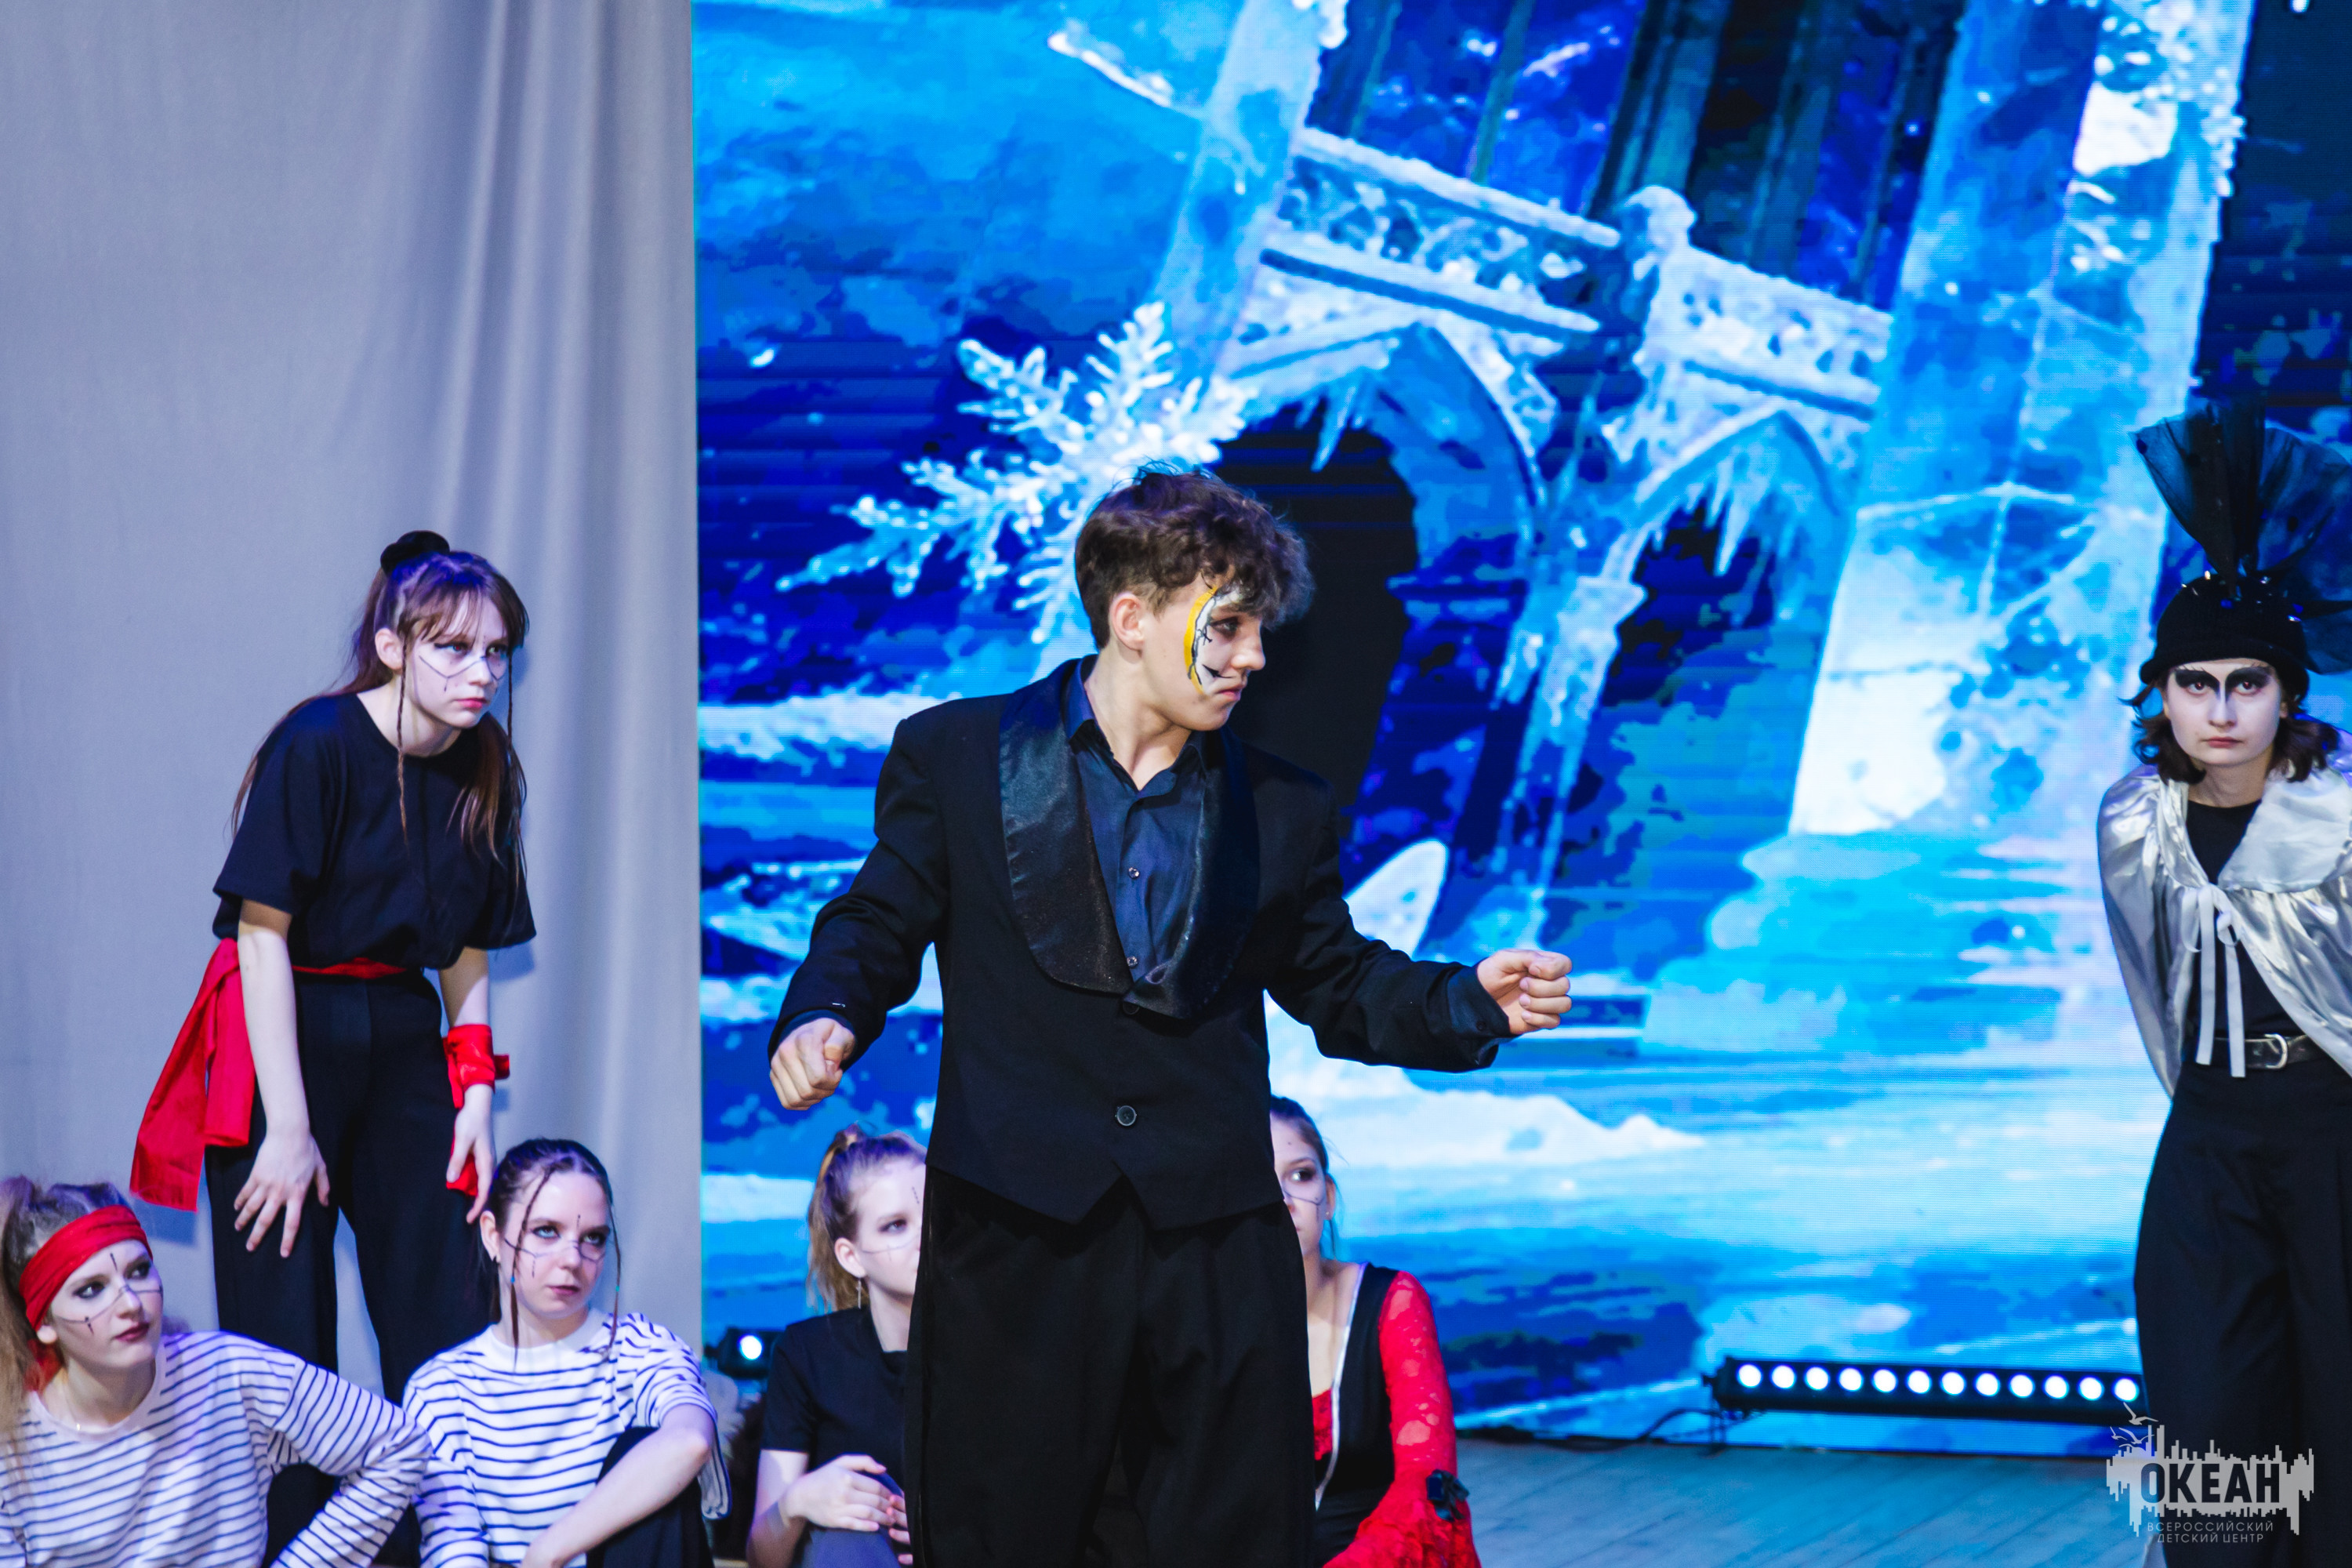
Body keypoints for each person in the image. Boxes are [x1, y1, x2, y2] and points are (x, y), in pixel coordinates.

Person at [766, 465, 1573, 1567]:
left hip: (1212, 1260)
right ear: (1133, 618)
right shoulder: (957, 757)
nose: (1254, 657)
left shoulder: (1278, 804)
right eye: (1228, 626)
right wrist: (827, 1010)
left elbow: (1339, 982)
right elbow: (878, 915)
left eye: (1259, 630)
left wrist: (1466, 1000)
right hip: (1019, 1254)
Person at [130, 530, 535, 1555]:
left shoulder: (488, 764)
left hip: (402, 1038)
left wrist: (475, 1097)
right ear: (393, 646)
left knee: (448, 1315)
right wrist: (287, 1128)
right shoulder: (318, 741)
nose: (481, 672)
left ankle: (454, 1545)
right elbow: (259, 934)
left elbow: (468, 950)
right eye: (454, 648)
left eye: (496, 651)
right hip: (285, 1034)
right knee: (285, 1350)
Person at [2102, 401, 2352, 1563]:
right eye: (2193, 681)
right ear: (2161, 692)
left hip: (2336, 1136)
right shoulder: (2129, 820)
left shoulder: (2343, 813)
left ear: (2286, 692)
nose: (2219, 707)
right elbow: (2153, 986)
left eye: (2246, 681)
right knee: (2211, 1426)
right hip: (2207, 1142)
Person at [0, 1178, 426, 1566]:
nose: (131, 1303)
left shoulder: (227, 1373)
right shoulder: (12, 1447)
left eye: (139, 1270)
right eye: (91, 1290)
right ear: (44, 1322)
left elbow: (397, 1444)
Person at [401, 1139, 727, 1568]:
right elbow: (452, 1548)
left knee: (645, 1449)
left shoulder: (640, 1347)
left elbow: (689, 1441)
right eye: (546, 1231)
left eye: (593, 1238)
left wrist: (550, 1551)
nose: (573, 1259)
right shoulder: (442, 1388)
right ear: (493, 1236)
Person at [1271, 1100, 1476, 1568]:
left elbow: (1426, 1480)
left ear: (1329, 1198)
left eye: (1301, 1175)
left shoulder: (1391, 1302)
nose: (1283, 1198)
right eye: (1260, 1180)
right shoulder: (1200, 1320)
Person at [747, 1128, 924, 1568]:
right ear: (851, 1256)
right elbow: (763, 1559)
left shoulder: (997, 1349)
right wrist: (796, 1503)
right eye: (896, 1225)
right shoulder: (809, 1354)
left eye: (936, 1214)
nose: (926, 1237)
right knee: (848, 1529)